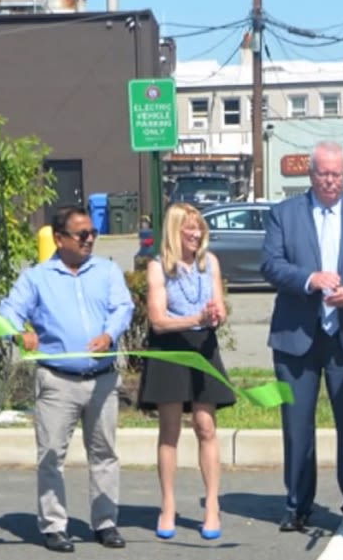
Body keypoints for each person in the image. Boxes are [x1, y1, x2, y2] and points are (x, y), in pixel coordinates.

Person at [260, 140, 343, 534]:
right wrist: (309, 279)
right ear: (310, 174)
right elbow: (271, 265)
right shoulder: (284, 214)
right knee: (297, 426)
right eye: (323, 174)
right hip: (295, 339)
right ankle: (298, 504)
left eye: (336, 174)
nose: (330, 181)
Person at [2, 206, 134, 553]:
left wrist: (109, 334)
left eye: (92, 233)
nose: (89, 239)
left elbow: (124, 307)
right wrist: (19, 333)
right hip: (57, 382)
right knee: (50, 457)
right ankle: (54, 527)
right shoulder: (36, 278)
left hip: (102, 379)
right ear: (59, 239)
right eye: (81, 234)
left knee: (104, 453)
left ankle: (106, 523)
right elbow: (8, 311)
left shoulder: (106, 271)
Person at [136, 202, 233, 541]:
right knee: (170, 430)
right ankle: (167, 505)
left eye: (199, 227)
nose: (196, 234)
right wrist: (196, 319)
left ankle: (211, 506)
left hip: (204, 348)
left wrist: (216, 314)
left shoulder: (211, 264)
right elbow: (159, 321)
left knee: (206, 426)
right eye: (189, 228)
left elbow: (218, 306)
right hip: (171, 350)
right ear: (174, 232)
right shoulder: (158, 267)